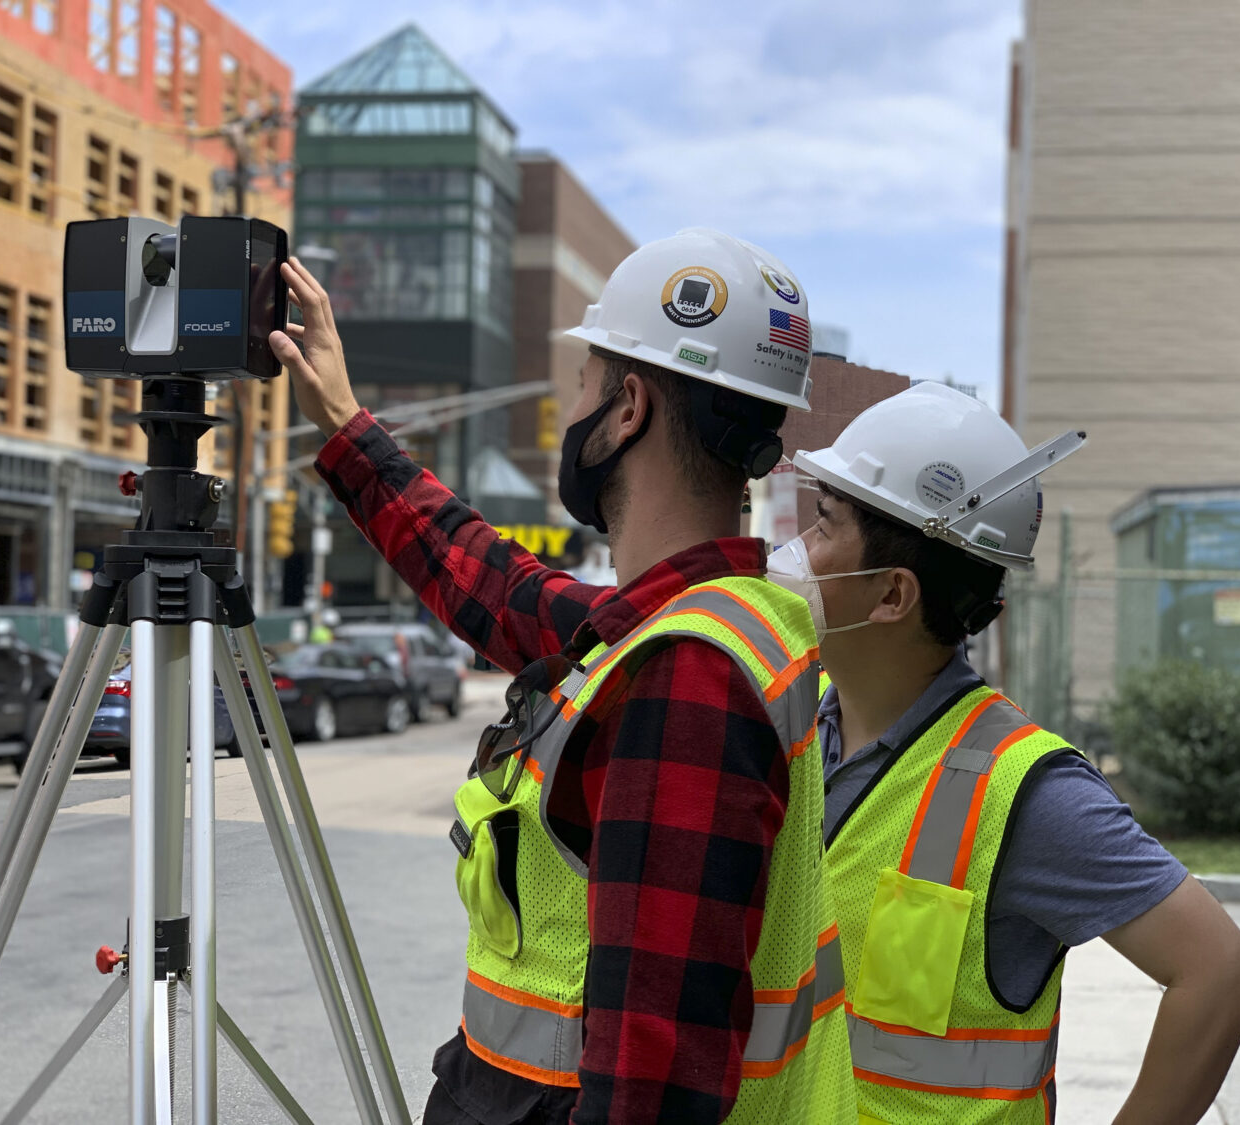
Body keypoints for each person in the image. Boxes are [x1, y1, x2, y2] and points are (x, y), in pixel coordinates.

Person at [269, 230, 855, 1125]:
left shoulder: (686, 673)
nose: (572, 406)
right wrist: (350, 432)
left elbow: (649, 1085)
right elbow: (499, 588)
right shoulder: (694, 623)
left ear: (627, 408)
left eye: (584, 381)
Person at [764, 383, 1240, 1125]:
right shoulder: (798, 728)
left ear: (892, 595)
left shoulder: (1024, 790)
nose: (796, 552)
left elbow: (1222, 976)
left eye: (824, 525)